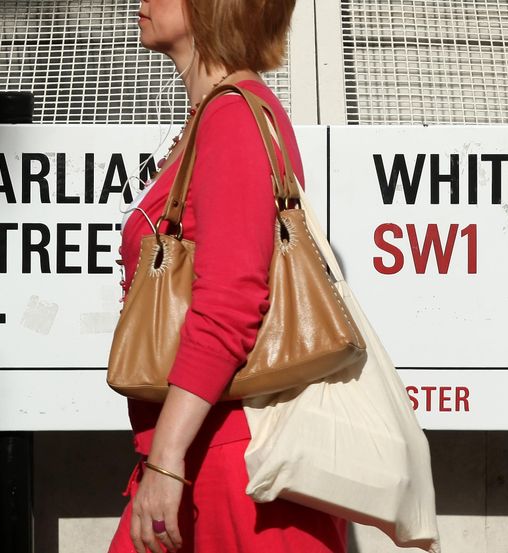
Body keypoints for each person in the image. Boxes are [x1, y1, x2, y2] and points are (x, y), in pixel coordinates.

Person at [108, 1, 348, 552]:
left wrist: (166, 463)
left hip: (233, 471)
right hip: (205, 452)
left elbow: (230, 302)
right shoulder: (218, 116)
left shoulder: (233, 118)